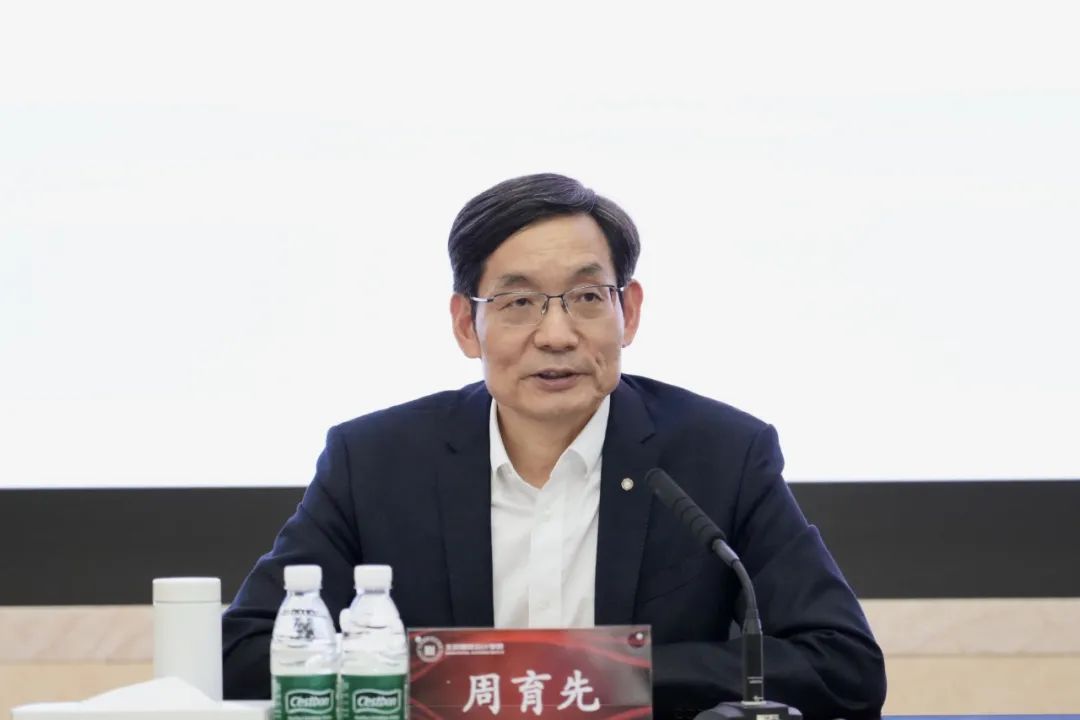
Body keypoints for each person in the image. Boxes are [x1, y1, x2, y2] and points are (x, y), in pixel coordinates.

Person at [222, 173, 886, 719]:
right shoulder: (375, 462)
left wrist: (604, 675)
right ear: (466, 325)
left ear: (629, 312)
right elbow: (243, 652)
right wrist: (444, 679)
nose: (558, 334)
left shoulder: (721, 455)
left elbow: (843, 665)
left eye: (587, 297)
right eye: (519, 304)